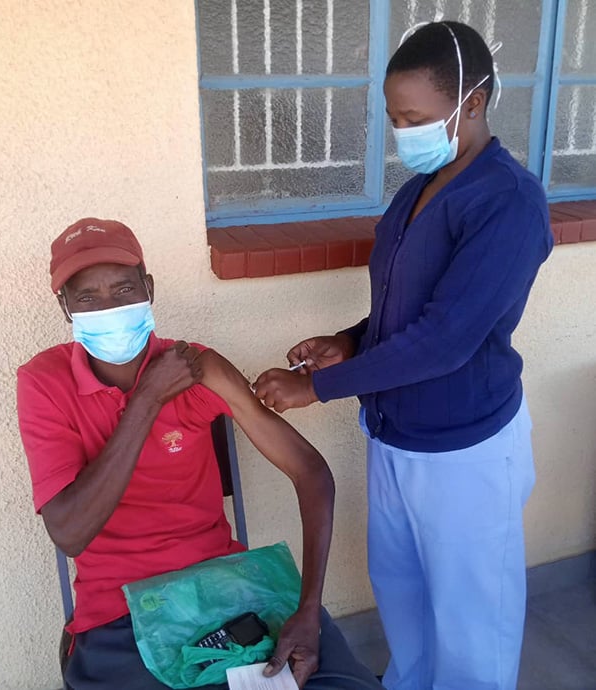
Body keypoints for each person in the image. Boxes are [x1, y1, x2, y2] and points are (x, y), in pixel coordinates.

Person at [253, 21, 553, 690]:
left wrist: (317, 390)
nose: (402, 131)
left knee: (472, 624)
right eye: (395, 117)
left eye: (415, 117)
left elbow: (447, 337)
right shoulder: (420, 188)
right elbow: (405, 305)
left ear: (471, 104)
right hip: (395, 437)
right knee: (406, 602)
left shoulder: (508, 202)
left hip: (465, 453)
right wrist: (349, 342)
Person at [16, 217, 382, 690]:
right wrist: (147, 400)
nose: (109, 307)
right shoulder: (44, 383)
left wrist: (309, 608)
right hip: (119, 612)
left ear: (148, 288)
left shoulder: (197, 367)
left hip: (227, 589)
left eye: (125, 289)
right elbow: (69, 532)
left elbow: (310, 472)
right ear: (65, 307)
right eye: (87, 297)